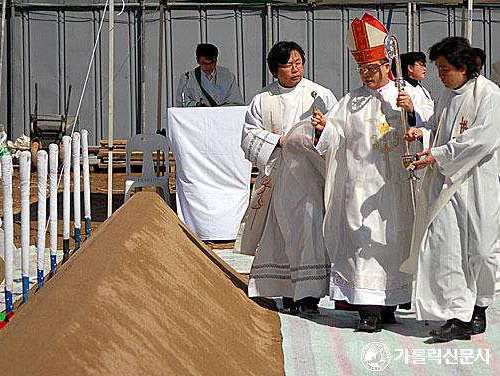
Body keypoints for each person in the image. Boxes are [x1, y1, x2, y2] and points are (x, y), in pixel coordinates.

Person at [314, 13, 429, 332]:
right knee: (361, 241)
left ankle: (389, 303)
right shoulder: (351, 100)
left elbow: (429, 126)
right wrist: (325, 128)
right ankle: (368, 310)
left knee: (393, 244)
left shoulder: (406, 94)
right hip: (359, 186)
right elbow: (335, 135)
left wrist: (410, 112)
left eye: (372, 67)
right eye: (362, 68)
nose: (366, 73)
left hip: (393, 187)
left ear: (386, 64)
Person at [404, 37, 500, 342]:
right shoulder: (446, 95)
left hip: (477, 183)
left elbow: (481, 140)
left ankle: (479, 306)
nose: (441, 76)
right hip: (447, 186)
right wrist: (423, 134)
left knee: (483, 251)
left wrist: (439, 154)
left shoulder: (489, 95)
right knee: (450, 249)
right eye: (438, 70)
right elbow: (438, 126)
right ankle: (457, 314)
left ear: (463, 67)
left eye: (445, 69)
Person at [237, 41, 337, 314]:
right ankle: (287, 292)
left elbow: (336, 131)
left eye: (298, 63)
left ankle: (309, 296)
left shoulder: (320, 94)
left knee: (310, 229)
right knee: (282, 233)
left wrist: (319, 133)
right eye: (287, 65)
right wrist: (279, 141)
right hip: (280, 176)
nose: (295, 69)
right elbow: (248, 135)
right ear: (275, 69)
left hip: (310, 175)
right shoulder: (263, 100)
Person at [175, 43, 244, 107]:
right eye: (204, 63)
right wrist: (197, 105)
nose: (208, 67)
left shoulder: (228, 77)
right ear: (197, 60)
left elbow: (236, 103)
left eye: (211, 63)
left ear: (216, 60)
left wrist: (220, 109)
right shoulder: (187, 78)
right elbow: (181, 103)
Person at [400, 52, 434, 123]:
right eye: (421, 65)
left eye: (425, 65)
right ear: (410, 68)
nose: (424, 68)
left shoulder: (422, 89)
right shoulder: (403, 89)